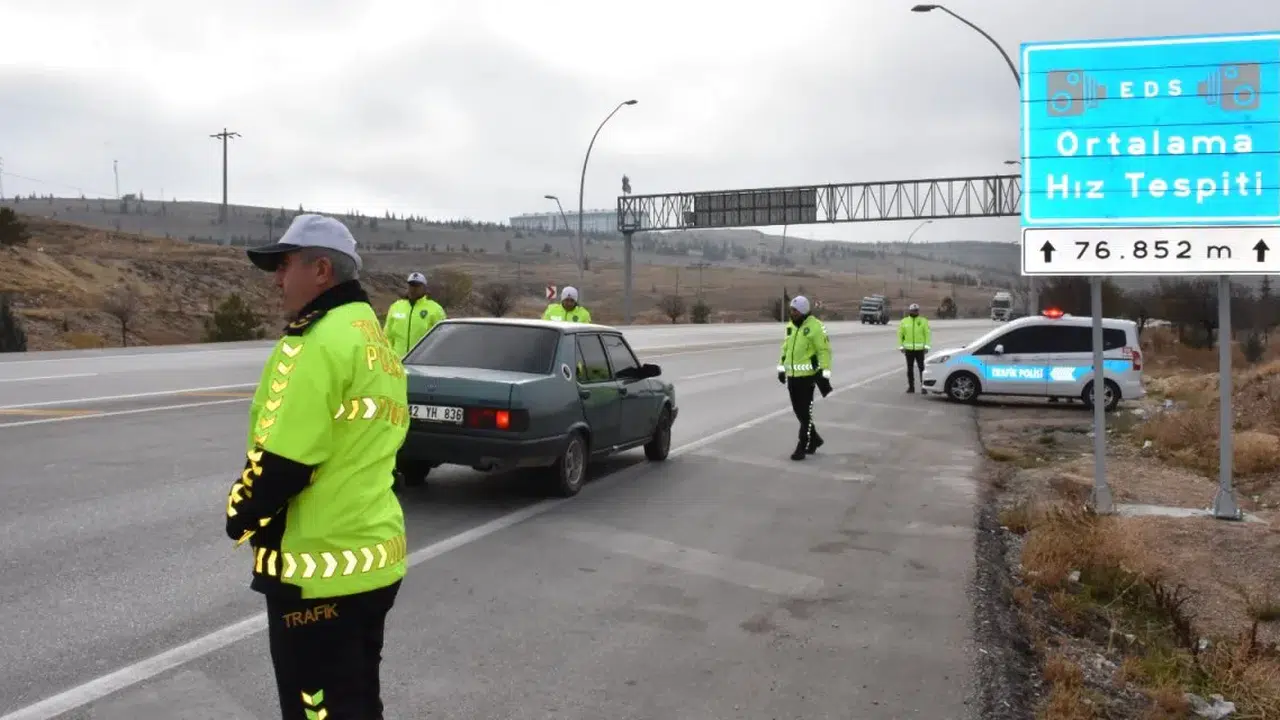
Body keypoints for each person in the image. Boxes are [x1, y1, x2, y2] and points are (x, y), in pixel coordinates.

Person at [227, 213, 409, 720]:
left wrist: (239, 515)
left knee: (318, 711)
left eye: (285, 266)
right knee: (355, 701)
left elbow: (286, 460)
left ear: (322, 270)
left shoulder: (318, 343)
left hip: (319, 572)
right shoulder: (375, 342)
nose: (278, 280)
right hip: (373, 558)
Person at [776, 295, 832, 461]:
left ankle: (803, 445)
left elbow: (824, 351)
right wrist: (781, 368)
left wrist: (824, 372)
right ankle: (815, 439)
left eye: (795, 310)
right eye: (791, 310)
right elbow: (785, 348)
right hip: (793, 376)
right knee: (799, 412)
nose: (792, 313)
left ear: (803, 310)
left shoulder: (816, 327)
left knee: (805, 413)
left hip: (808, 377)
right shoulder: (791, 326)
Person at [383, 271, 446, 357]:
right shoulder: (396, 307)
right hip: (397, 362)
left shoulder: (435, 309)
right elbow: (387, 336)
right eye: (411, 285)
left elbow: (441, 339)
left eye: (417, 286)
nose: (413, 289)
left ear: (424, 288)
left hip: (422, 362)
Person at [898, 302, 932, 393]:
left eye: (916, 310)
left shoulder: (923, 321)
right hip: (908, 350)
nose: (915, 312)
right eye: (913, 310)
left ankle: (923, 387)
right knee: (910, 369)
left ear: (918, 311)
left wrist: (926, 346)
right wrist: (901, 346)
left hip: (920, 350)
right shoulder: (904, 321)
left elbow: (927, 334)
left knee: (922, 369)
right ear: (910, 311)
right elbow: (900, 335)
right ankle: (911, 387)